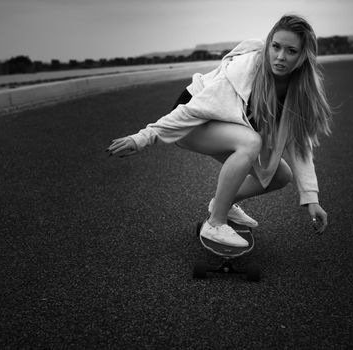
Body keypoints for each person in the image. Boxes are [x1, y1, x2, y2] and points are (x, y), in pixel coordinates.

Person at [107, 14, 332, 247]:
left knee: (280, 176)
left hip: (226, 126)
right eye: (275, 47)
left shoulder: (299, 91)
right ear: (269, 44)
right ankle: (216, 223)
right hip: (194, 119)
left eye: (291, 51)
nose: (280, 56)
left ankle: (222, 204)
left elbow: (299, 145)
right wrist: (143, 137)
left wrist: (311, 198)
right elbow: (191, 111)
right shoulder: (244, 71)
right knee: (251, 142)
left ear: (303, 56)